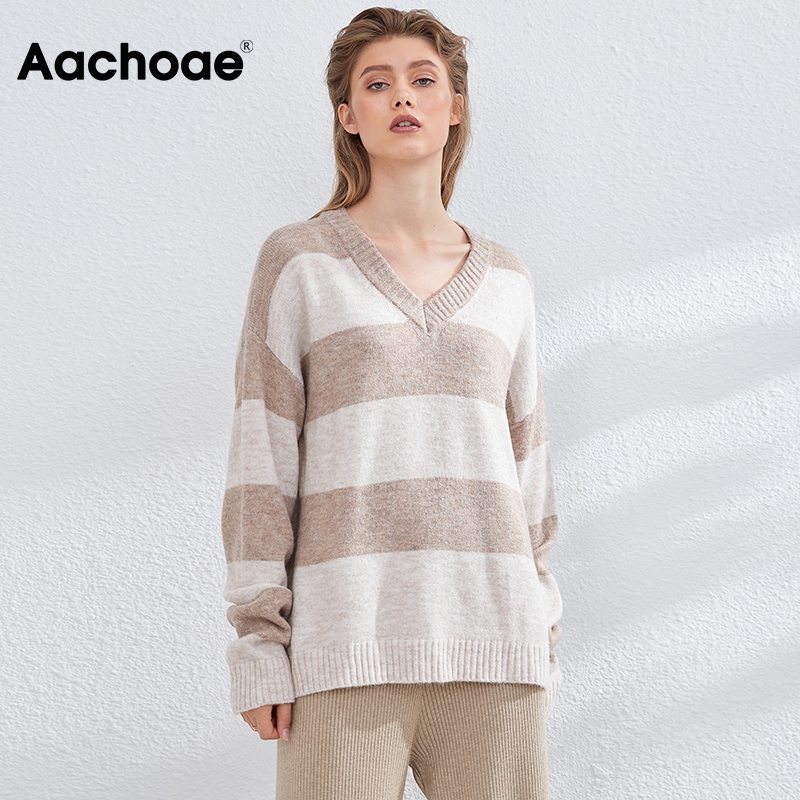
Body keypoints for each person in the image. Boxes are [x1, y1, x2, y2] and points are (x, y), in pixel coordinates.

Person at [220, 7, 564, 799]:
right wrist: (259, 644)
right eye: (376, 84)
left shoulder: (506, 279)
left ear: (455, 106)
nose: (401, 96)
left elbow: (530, 467)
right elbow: (259, 459)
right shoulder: (299, 262)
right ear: (348, 115)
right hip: (343, 646)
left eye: (422, 79)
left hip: (496, 646)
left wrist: (541, 626)